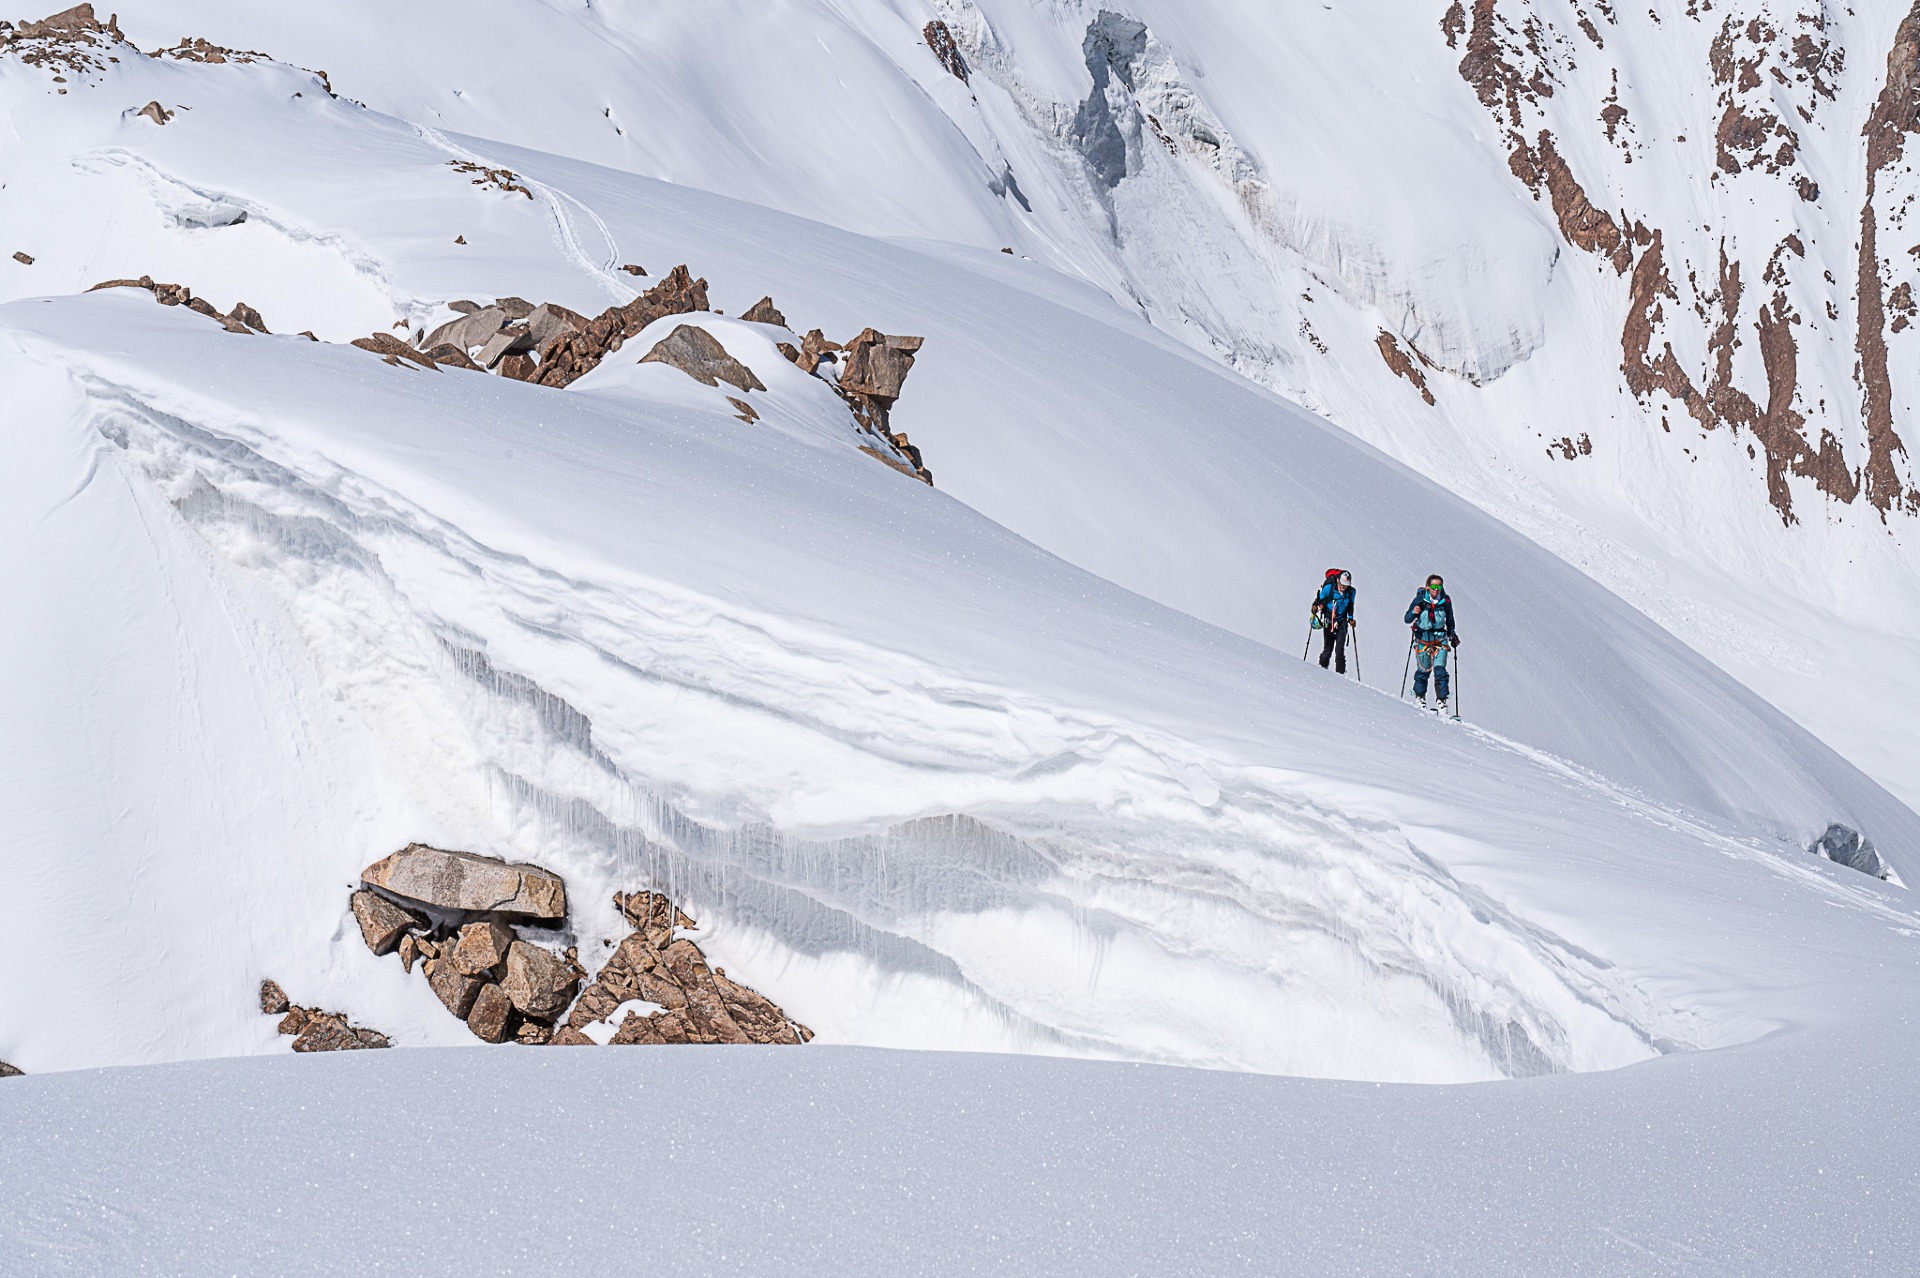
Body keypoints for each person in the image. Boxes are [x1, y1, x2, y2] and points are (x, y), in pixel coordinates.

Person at [1403, 573, 1459, 712]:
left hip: (1440, 640)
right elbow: (1407, 618)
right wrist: (1414, 612)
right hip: (1423, 639)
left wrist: (1452, 633)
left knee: (1440, 671)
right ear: (1428, 587)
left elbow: (1450, 619)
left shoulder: (1445, 601)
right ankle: (1420, 697)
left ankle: (1442, 700)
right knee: (1423, 671)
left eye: (1439, 586)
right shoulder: (1420, 600)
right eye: (1434, 586)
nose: (1436, 589)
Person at [1311, 569, 1356, 674]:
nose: (1343, 588)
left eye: (1346, 586)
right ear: (1338, 581)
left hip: (1342, 623)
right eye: (1342, 585)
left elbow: (1350, 605)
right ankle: (1322, 670)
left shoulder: (1351, 592)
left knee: (1339, 651)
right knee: (1327, 650)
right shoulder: (1328, 589)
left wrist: (1350, 618)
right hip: (1328, 621)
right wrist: (1315, 607)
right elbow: (1319, 600)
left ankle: (1340, 676)